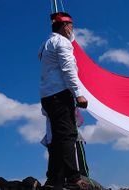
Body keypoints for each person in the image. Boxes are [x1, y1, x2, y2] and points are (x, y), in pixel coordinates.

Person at [39, 12, 89, 189]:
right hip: (60, 94)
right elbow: (68, 69)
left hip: (48, 96)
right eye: (71, 26)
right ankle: (73, 178)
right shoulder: (62, 43)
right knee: (67, 135)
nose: (72, 30)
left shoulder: (46, 44)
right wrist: (78, 93)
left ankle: (54, 179)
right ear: (65, 26)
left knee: (57, 137)